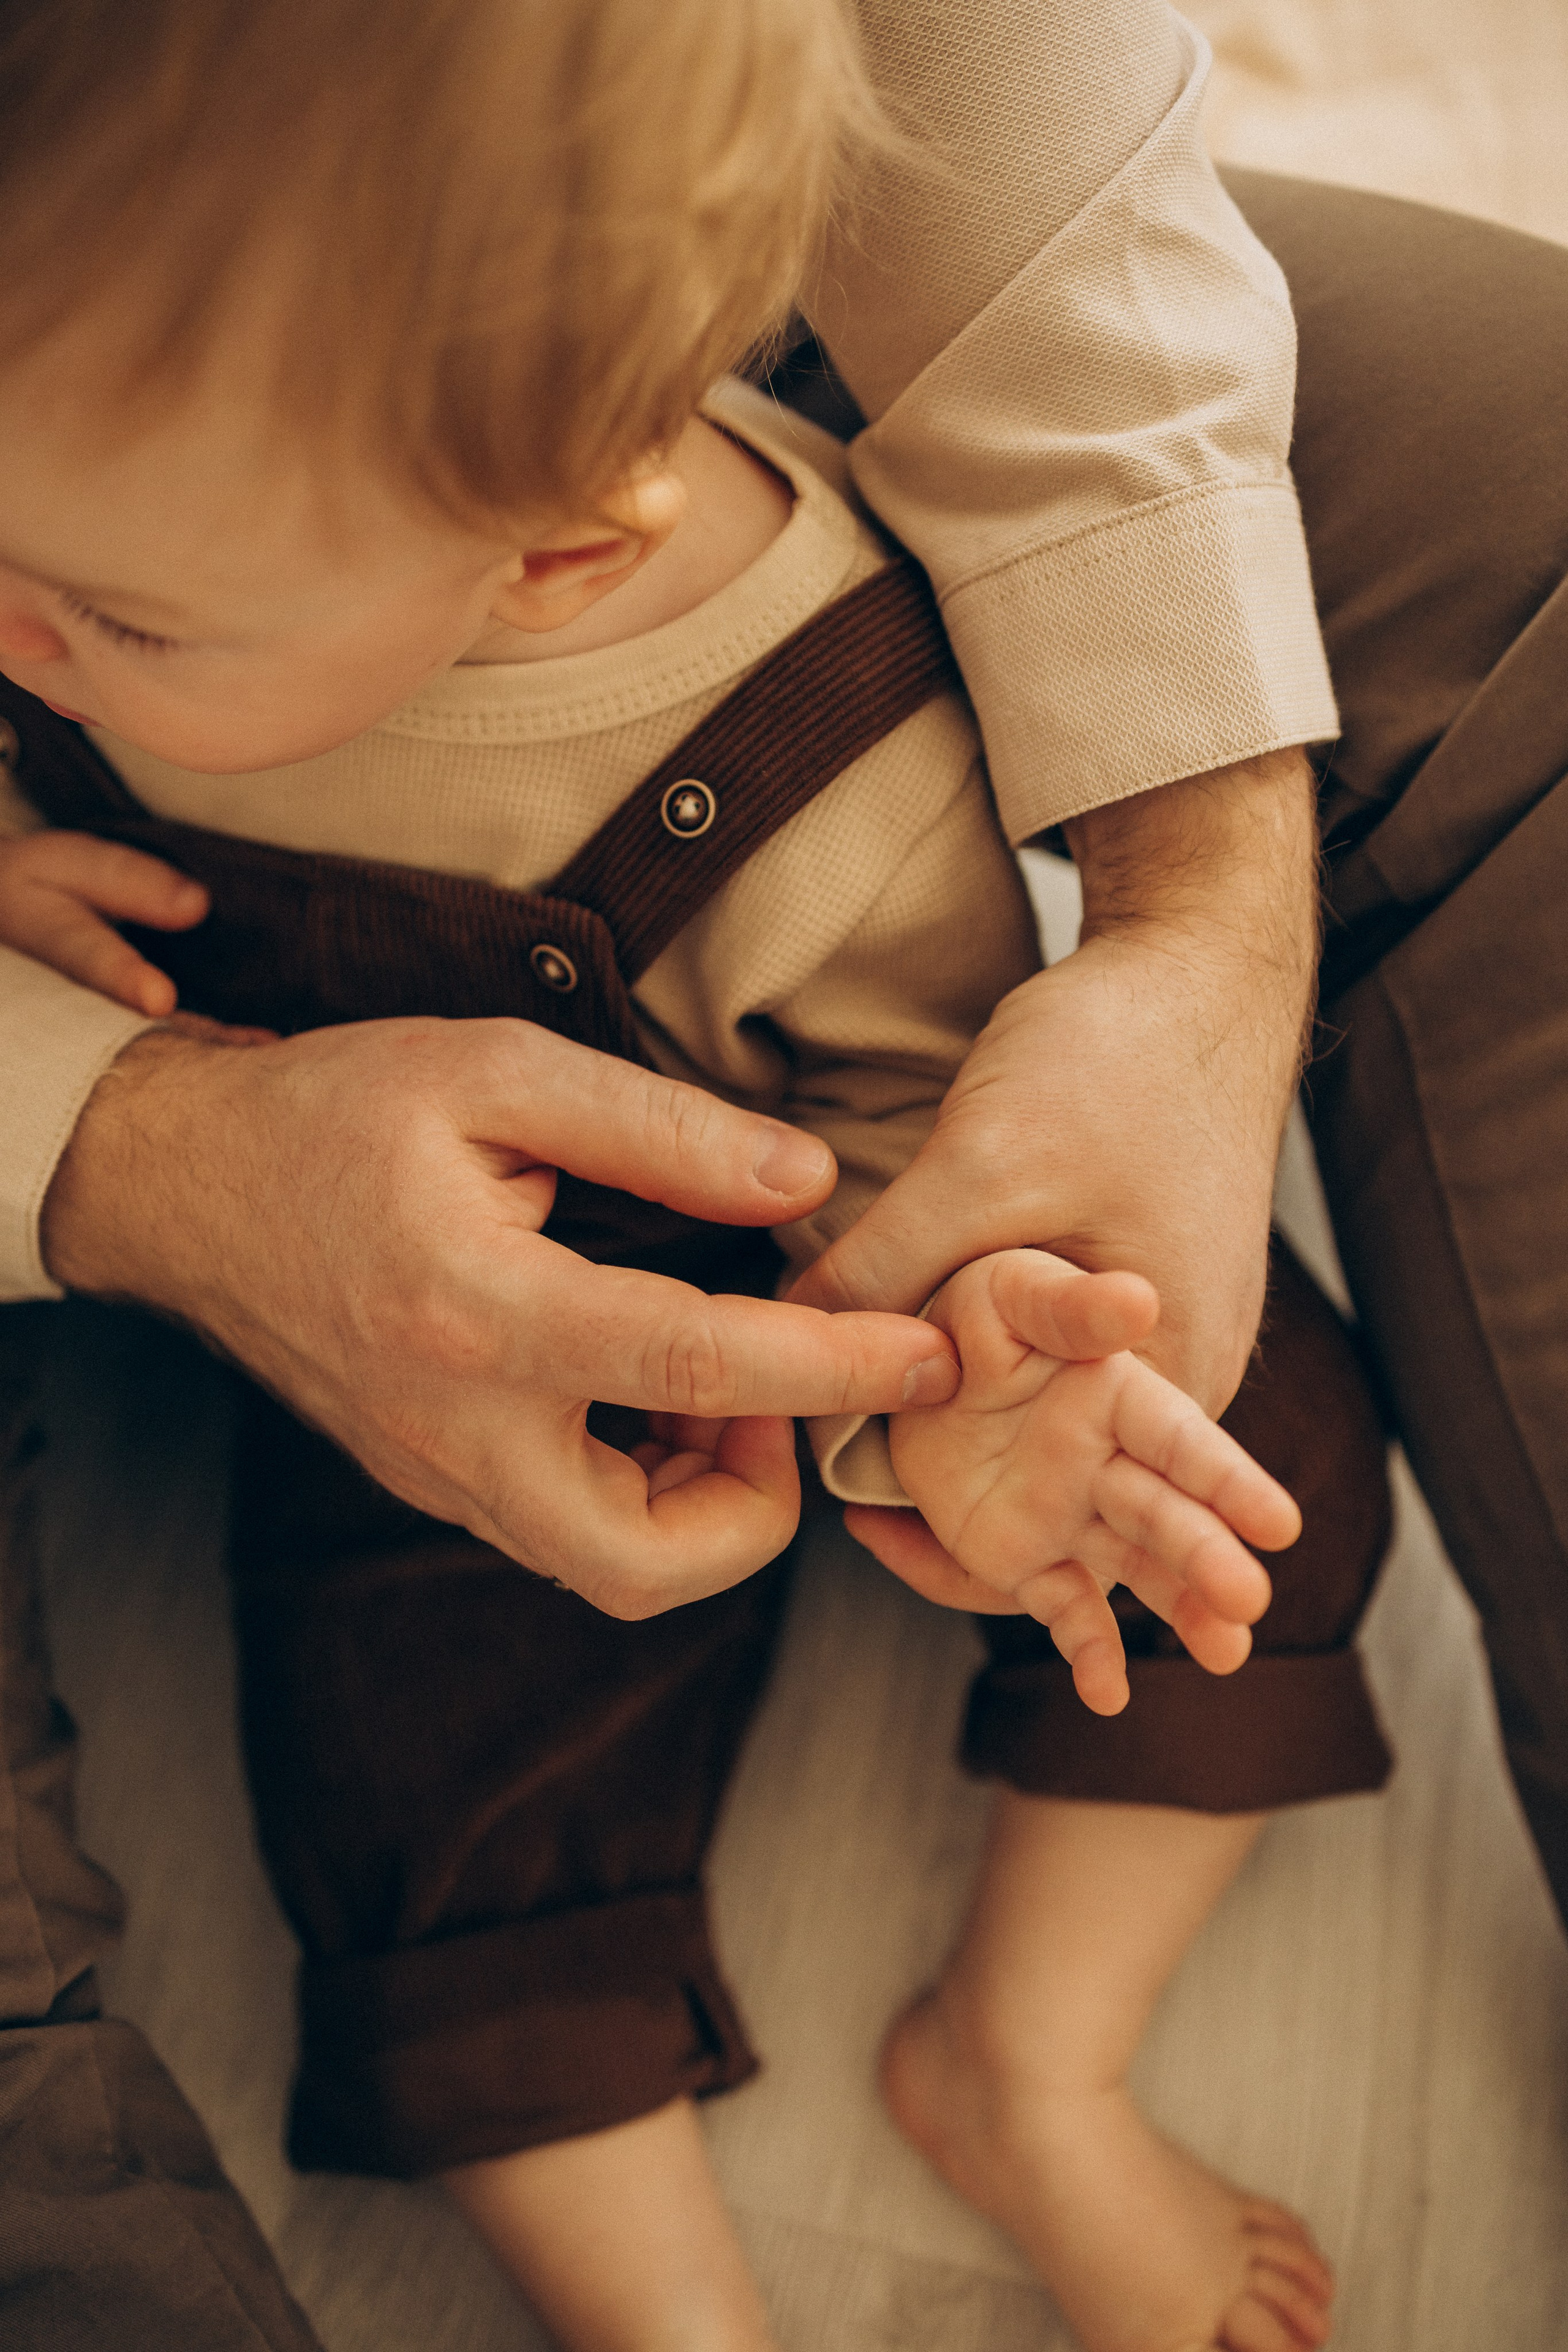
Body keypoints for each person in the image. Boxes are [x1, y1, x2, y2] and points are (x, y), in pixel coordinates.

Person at [0, 0, 1562, 2350]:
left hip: (767, 1273)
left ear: (547, 554)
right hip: (353, 1351)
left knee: (1242, 1497)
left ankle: (1029, 2062)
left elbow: (914, 1171)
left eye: (104, 626)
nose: (17, 641)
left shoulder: (814, 712)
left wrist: (948, 1383)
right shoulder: (116, 485)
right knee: (418, 1757)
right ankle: (670, 2314)